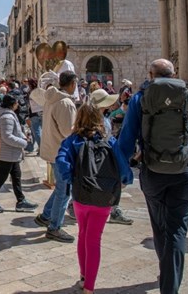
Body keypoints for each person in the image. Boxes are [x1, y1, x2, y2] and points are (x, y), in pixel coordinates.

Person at [117, 59, 188, 294]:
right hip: (184, 172)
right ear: (174, 74)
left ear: (151, 74)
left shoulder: (140, 99)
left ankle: (167, 278)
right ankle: (170, 284)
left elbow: (126, 140)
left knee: (160, 227)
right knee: (177, 229)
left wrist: (123, 172)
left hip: (152, 173)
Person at [56, 104, 133, 294]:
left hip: (82, 195)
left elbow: (61, 160)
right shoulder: (110, 141)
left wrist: (70, 178)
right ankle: (89, 286)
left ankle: (84, 277)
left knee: (83, 234)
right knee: (94, 239)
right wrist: (125, 180)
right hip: (104, 196)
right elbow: (123, 166)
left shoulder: (73, 141)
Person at [35, 71, 78, 243]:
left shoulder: (51, 99)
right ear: (73, 84)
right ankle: (54, 227)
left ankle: (46, 215)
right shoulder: (65, 103)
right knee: (64, 190)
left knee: (62, 187)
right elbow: (68, 131)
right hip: (62, 152)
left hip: (53, 149)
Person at [0, 95, 37, 215]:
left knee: (16, 177)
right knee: (0, 179)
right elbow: (7, 136)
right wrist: (23, 142)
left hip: (12, 154)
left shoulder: (6, 114)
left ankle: (21, 200)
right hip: (7, 153)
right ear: (13, 104)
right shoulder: (7, 117)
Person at [88, 89, 133, 225]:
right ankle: (112, 210)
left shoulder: (101, 117)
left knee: (113, 182)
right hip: (102, 157)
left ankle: (112, 209)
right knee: (112, 182)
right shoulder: (95, 120)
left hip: (105, 155)